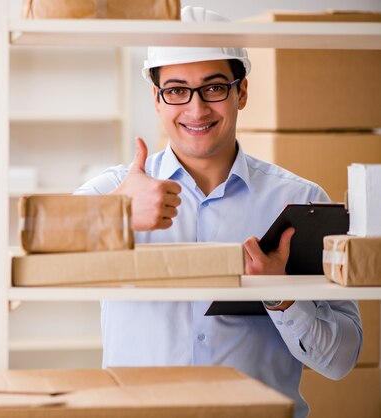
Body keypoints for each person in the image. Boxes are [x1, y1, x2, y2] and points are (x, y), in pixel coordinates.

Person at [74, 6, 362, 418]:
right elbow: (29, 243)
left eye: (213, 88)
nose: (196, 110)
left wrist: (281, 298)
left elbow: (340, 361)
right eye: (176, 90)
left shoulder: (303, 203)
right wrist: (116, 214)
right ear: (156, 98)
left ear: (241, 92)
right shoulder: (111, 191)